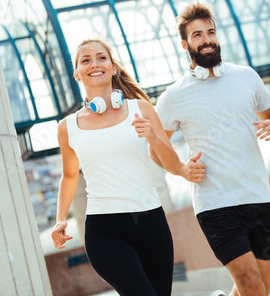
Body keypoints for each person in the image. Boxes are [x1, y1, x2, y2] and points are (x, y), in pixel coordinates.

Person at [50, 38, 206, 296]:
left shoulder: (141, 108)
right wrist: (59, 219)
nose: (94, 63)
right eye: (85, 60)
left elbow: (170, 162)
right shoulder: (67, 127)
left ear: (113, 68)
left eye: (101, 57)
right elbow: (69, 176)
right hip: (105, 232)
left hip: (151, 223)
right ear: (77, 73)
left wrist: (153, 138)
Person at [152, 3, 270, 296]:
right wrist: (182, 170)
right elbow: (155, 147)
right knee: (251, 283)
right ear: (185, 43)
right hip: (215, 205)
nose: (207, 39)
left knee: (260, 288)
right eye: (197, 35)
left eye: (210, 32)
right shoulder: (173, 96)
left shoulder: (246, 76)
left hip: (257, 195)